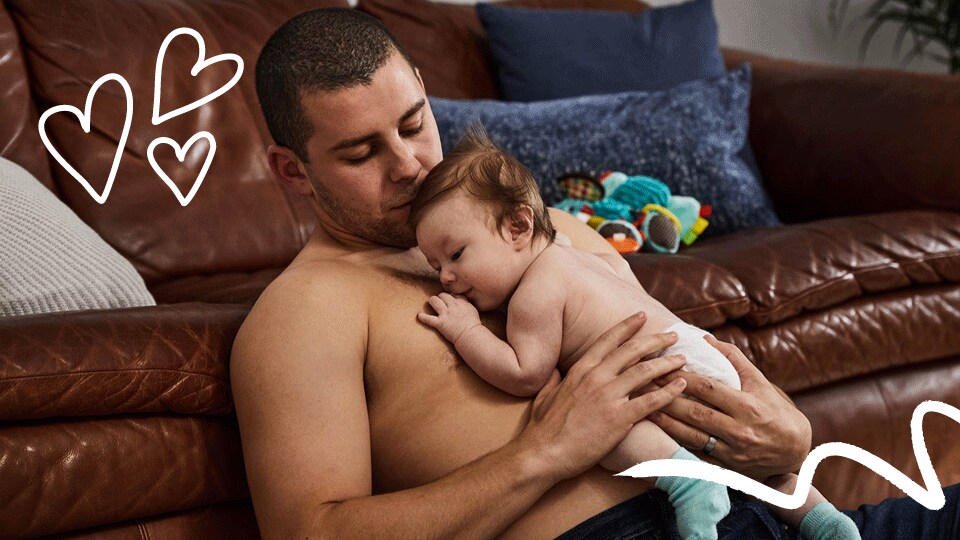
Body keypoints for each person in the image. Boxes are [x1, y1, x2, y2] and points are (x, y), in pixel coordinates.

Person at [231, 7, 959, 539]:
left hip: (768, 513)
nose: (410, 165)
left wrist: (788, 436)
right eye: (361, 155)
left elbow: (668, 372)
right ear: (292, 170)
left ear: (424, 90)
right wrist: (545, 453)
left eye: (415, 124)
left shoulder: (549, 227)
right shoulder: (307, 311)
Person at [409, 127, 860, 540]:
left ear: (518, 227)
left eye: (456, 255)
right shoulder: (578, 255)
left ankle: (687, 483)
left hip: (659, 373)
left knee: (601, 424)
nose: (446, 277)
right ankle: (825, 522)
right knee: (757, 466)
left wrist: (466, 330)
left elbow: (524, 373)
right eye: (436, 267)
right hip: (701, 352)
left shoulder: (534, 294)